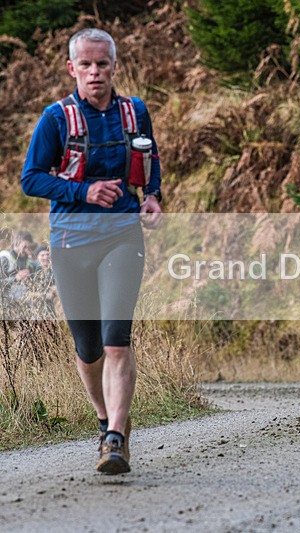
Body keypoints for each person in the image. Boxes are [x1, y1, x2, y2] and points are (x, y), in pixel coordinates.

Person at [21, 28, 163, 474]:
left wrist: (153, 196)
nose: (95, 72)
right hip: (69, 243)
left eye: (103, 64)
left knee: (116, 338)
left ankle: (117, 439)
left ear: (114, 66)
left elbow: (149, 157)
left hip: (122, 236)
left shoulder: (134, 112)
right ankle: (105, 422)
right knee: (88, 350)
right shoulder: (56, 118)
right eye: (86, 65)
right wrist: (84, 190)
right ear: (72, 69)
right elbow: (30, 178)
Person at [0, 229, 36, 309]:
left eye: (28, 247)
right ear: (16, 243)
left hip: (22, 306)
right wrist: (16, 278)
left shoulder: (27, 260)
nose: (26, 249)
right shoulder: (4, 258)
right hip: (5, 307)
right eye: (24, 246)